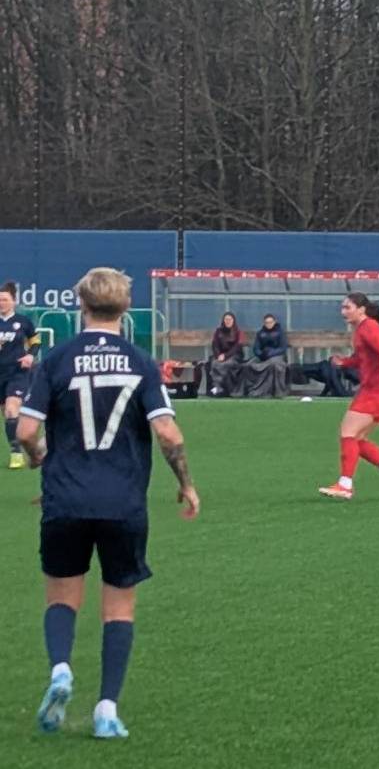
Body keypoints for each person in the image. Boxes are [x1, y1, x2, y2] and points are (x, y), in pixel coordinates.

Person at [20, 267, 200, 740]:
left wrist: (38, 457)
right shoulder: (141, 361)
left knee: (61, 596)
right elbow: (167, 432)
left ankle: (61, 669)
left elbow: (24, 429)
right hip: (122, 502)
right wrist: (186, 482)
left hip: (65, 499)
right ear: (125, 307)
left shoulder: (57, 358)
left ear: (81, 305)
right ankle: (106, 709)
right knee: (118, 607)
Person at [317, 294, 379, 500]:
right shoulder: (361, 329)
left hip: (378, 390)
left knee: (348, 433)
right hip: (373, 390)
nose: (343, 312)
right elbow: (363, 357)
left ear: (361, 309)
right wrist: (345, 362)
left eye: (347, 307)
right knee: (356, 438)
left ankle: (345, 485)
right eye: (342, 308)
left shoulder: (369, 327)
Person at [0, 281, 40, 469]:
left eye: (5, 299)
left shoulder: (23, 322)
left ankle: (16, 453)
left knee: (11, 408)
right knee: (7, 415)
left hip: (16, 372)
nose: (2, 303)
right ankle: (15, 445)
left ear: (14, 301)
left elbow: (36, 341)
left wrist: (30, 356)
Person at [240, 314, 292, 398]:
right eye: (267, 322)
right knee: (247, 365)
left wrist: (271, 353)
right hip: (262, 356)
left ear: (274, 322)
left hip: (277, 356)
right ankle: (252, 390)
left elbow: (283, 348)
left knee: (273, 365)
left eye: (270, 322)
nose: (269, 324)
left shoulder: (280, 332)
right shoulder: (260, 333)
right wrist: (261, 354)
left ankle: (273, 392)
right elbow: (256, 348)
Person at [203, 312, 245, 397]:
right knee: (214, 363)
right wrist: (218, 355)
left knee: (225, 364)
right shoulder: (218, 331)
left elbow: (237, 347)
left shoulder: (238, 332)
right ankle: (217, 388)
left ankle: (220, 388)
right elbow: (215, 345)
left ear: (233, 321)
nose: (228, 321)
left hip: (234, 356)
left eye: (230, 319)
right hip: (220, 356)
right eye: (226, 319)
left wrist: (225, 356)